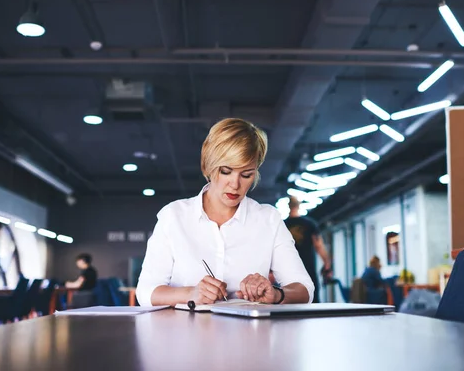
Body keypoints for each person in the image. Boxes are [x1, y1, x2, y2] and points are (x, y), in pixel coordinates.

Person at [137, 118, 314, 306]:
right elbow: (146, 292)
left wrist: (276, 294)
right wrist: (191, 293)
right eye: (226, 171)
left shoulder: (268, 219)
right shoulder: (173, 216)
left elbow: (304, 289)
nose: (235, 184)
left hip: (250, 334)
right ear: (209, 166)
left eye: (246, 175)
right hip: (185, 332)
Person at [284, 196, 332, 303]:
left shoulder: (282, 225)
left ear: (288, 206)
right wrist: (327, 265)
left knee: (289, 304)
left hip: (287, 272)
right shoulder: (309, 224)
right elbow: (319, 246)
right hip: (307, 271)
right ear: (299, 205)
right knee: (312, 301)